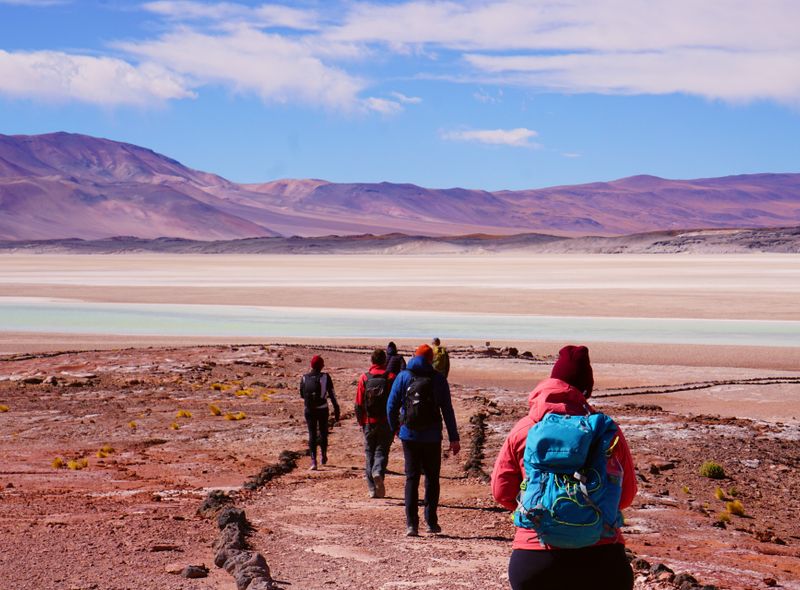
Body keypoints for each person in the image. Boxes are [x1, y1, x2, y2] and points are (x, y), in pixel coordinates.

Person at [491, 345, 637, 590]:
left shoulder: (524, 429)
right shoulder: (606, 431)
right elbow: (626, 495)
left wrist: (540, 512)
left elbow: (501, 492)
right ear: (586, 390)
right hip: (602, 558)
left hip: (535, 558)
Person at [387, 344, 460, 537]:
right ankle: (431, 522)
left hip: (409, 435)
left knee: (411, 478)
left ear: (414, 357)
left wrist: (394, 426)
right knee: (432, 478)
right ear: (430, 359)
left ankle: (411, 524)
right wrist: (454, 437)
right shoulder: (438, 379)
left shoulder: (403, 376)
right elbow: (447, 410)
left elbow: (391, 405)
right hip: (432, 436)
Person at [355, 348, 395, 498]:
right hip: (386, 421)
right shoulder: (391, 377)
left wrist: (361, 422)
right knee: (382, 451)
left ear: (372, 361)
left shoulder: (364, 378)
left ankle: (372, 488)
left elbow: (358, 404)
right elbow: (395, 402)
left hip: (368, 422)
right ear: (385, 361)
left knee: (369, 453)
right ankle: (378, 472)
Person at [299, 355, 340, 470]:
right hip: (322, 408)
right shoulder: (325, 377)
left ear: (311, 365)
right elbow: (332, 394)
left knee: (312, 434)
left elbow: (302, 394)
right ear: (321, 366)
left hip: (309, 409)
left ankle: (313, 461)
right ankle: (323, 455)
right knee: (323, 432)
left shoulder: (304, 377)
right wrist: (336, 409)